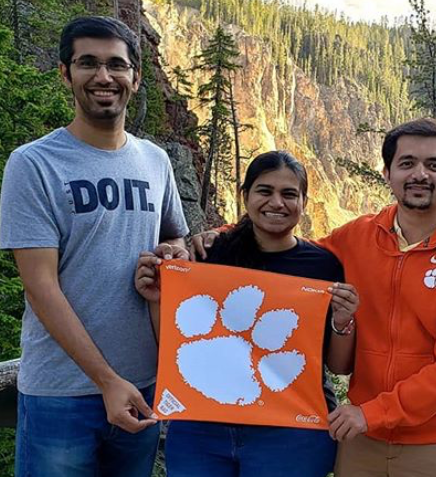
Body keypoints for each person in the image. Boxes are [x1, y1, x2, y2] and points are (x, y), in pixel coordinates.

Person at [194, 118, 436, 477]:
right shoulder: (360, 236)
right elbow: (289, 248)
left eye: (434, 165)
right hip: (362, 439)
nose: (419, 174)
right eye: (407, 163)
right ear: (388, 172)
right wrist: (222, 234)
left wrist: (371, 413)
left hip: (431, 441)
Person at [0, 16, 189, 477]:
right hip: (61, 393)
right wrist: (107, 381)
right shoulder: (33, 164)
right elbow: (40, 287)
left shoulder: (155, 160)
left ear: (135, 77)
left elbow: (174, 237)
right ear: (66, 73)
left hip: (141, 385)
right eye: (88, 63)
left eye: (116, 65)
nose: (104, 77)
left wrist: (172, 256)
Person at [135, 150, 360, 477]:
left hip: (290, 432)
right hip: (204, 426)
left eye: (289, 194)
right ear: (246, 196)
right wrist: (158, 299)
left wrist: (343, 321)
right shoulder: (210, 254)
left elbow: (338, 365)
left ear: (304, 202)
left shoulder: (324, 266)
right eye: (265, 191)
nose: (276, 203)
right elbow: (171, 344)